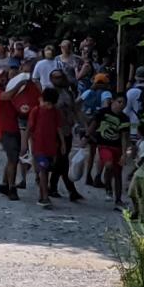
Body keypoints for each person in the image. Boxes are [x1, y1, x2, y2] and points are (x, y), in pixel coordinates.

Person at [89, 95, 129, 211]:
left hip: (117, 147)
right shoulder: (102, 113)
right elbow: (93, 125)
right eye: (119, 102)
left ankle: (118, 199)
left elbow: (124, 137)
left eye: (123, 103)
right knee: (108, 164)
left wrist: (124, 153)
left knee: (117, 174)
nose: (120, 105)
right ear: (113, 101)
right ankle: (108, 187)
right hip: (104, 145)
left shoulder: (124, 118)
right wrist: (87, 137)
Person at [49, 69, 84, 201]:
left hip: (67, 130)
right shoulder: (50, 93)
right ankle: (69, 189)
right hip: (55, 131)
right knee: (61, 160)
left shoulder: (67, 93)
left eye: (60, 77)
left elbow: (74, 109)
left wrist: (81, 124)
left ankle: (55, 187)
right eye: (55, 77)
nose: (58, 80)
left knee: (62, 160)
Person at [28, 87, 64, 209]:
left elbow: (59, 128)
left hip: (51, 147)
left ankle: (42, 194)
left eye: (50, 104)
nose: (47, 106)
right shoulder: (36, 111)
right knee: (44, 170)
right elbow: (30, 129)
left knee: (46, 170)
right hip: (39, 147)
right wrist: (26, 146)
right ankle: (45, 196)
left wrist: (62, 143)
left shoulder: (55, 112)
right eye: (46, 103)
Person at [0, 67, 21, 201]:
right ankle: (12, 188)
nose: (3, 78)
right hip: (4, 129)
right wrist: (20, 83)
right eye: (0, 76)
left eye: (4, 75)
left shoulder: (5, 89)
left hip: (13, 127)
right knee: (13, 159)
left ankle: (4, 184)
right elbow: (6, 97)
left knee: (12, 158)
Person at [80, 73, 113, 185]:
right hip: (100, 126)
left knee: (91, 152)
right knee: (101, 152)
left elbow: (77, 104)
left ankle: (88, 175)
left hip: (87, 124)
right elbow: (105, 106)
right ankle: (98, 177)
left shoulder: (88, 92)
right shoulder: (106, 93)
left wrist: (83, 120)